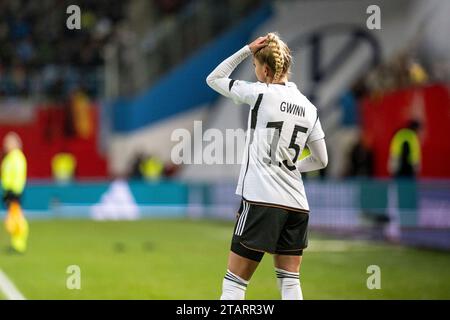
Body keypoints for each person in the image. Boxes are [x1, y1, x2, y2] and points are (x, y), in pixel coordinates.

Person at [206, 33, 328, 300]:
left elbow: (213, 79)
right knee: (290, 281)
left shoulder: (260, 93)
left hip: (262, 200)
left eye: (255, 67)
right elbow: (321, 160)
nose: (255, 72)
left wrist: (246, 49)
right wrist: (291, 166)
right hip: (297, 205)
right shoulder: (309, 108)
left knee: (235, 282)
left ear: (265, 69)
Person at [1, 132, 29, 253]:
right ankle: (16, 243)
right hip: (9, 191)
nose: (5, 145)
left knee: (16, 219)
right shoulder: (10, 157)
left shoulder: (16, 157)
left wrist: (14, 192)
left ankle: (19, 245)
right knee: (14, 219)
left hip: (14, 192)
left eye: (8, 142)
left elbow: (17, 176)